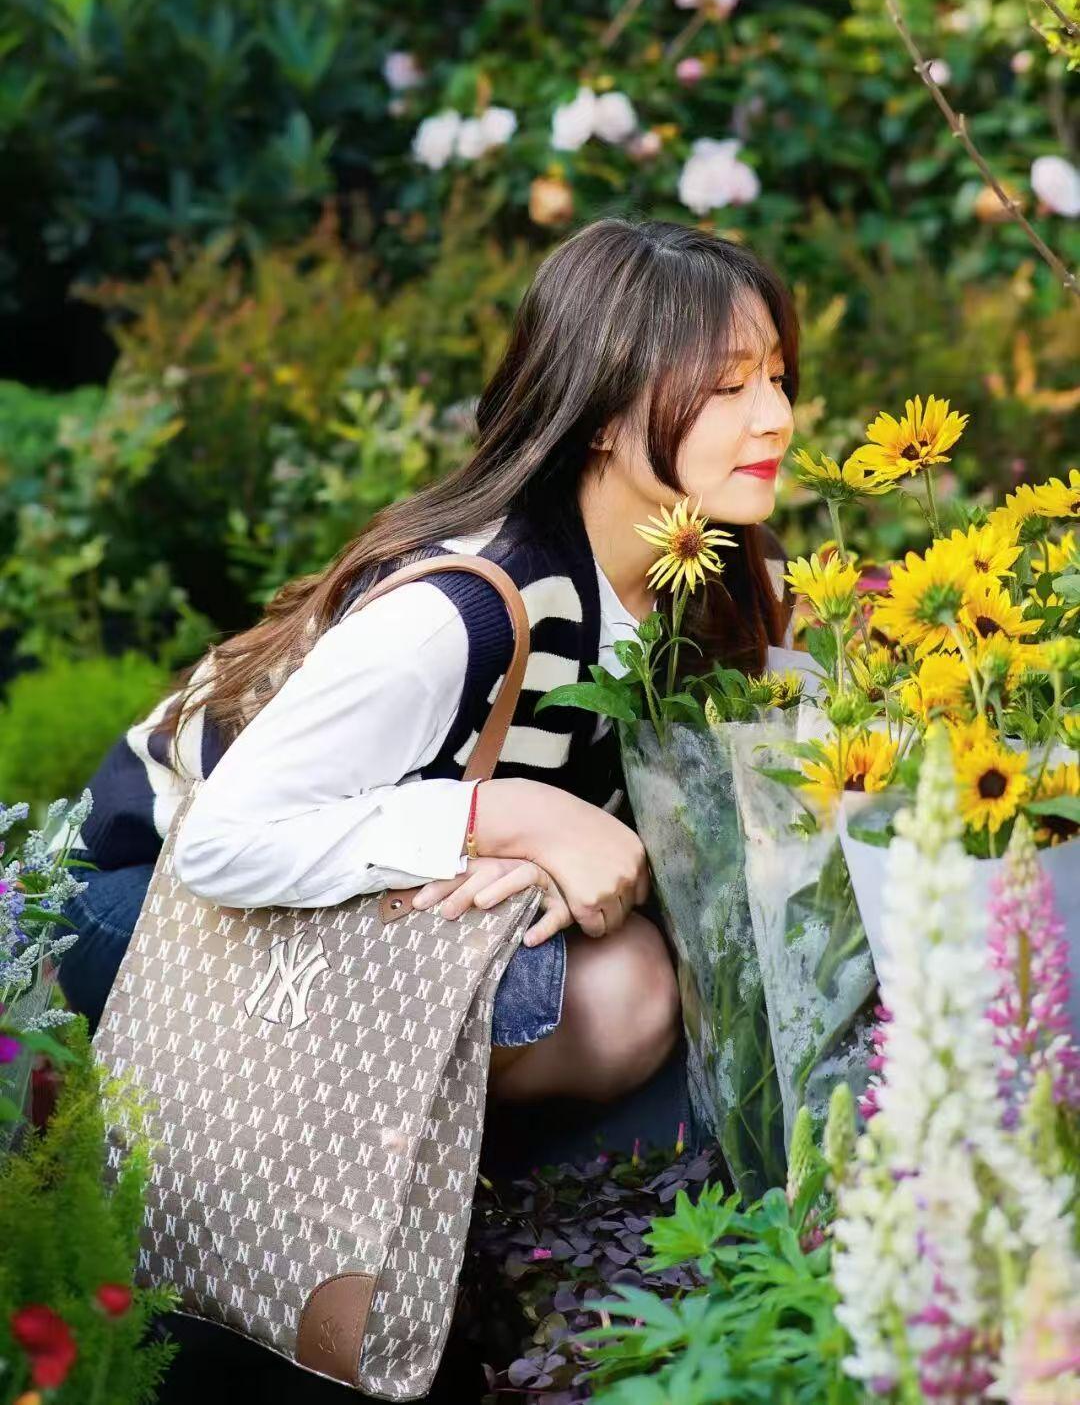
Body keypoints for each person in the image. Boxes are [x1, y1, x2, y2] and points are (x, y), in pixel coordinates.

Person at [58, 215, 798, 1107]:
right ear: (602, 411)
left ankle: (492, 1212)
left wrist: (548, 850)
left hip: (362, 897)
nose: (776, 419)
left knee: (636, 978)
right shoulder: (462, 611)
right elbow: (220, 844)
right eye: (728, 386)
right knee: (606, 991)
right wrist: (503, 814)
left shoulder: (730, 580)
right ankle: (349, 1221)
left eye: (777, 379)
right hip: (151, 900)